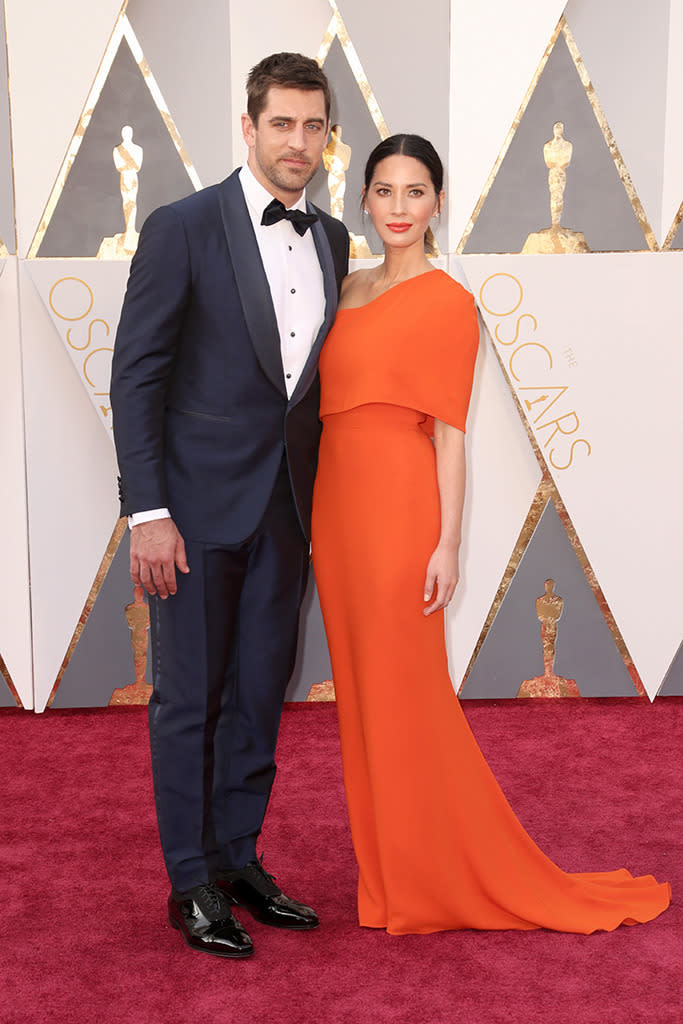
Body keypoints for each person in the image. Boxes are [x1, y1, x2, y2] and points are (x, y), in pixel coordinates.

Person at [311, 134, 670, 935]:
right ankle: (389, 872)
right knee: (362, 699)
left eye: (413, 192)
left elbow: (449, 435)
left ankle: (430, 876)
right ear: (363, 200)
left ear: (437, 202)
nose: (397, 208)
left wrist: (446, 546)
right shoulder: (341, 289)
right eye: (383, 191)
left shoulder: (446, 300)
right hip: (334, 511)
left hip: (401, 511)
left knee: (407, 695)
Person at [110, 52, 349, 958]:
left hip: (286, 512)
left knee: (258, 696)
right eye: (281, 123)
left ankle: (238, 857)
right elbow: (137, 376)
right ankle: (188, 882)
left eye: (313, 125)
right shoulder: (182, 226)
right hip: (193, 515)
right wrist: (147, 512)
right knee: (187, 703)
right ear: (247, 129)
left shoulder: (331, 240)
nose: (299, 142)